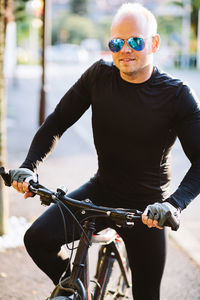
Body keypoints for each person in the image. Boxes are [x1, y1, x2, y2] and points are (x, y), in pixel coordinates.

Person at [9, 2, 200, 300]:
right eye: (117, 42)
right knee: (36, 238)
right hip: (100, 192)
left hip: (147, 209)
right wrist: (28, 165)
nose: (125, 49)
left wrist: (173, 205)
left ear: (154, 42)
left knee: (147, 294)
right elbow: (56, 123)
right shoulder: (98, 76)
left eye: (135, 41)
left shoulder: (177, 95)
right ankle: (76, 290)